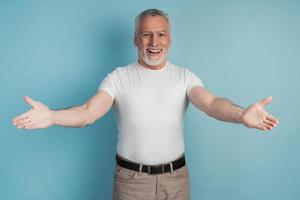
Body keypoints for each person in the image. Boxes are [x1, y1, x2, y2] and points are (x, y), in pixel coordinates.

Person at [12, 9, 279, 200]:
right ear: (135, 39)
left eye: (161, 35)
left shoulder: (184, 77)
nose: (154, 43)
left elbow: (211, 103)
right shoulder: (117, 78)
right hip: (131, 183)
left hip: (177, 179)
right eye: (146, 35)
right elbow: (88, 112)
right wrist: (52, 117)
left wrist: (241, 113)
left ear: (169, 39)